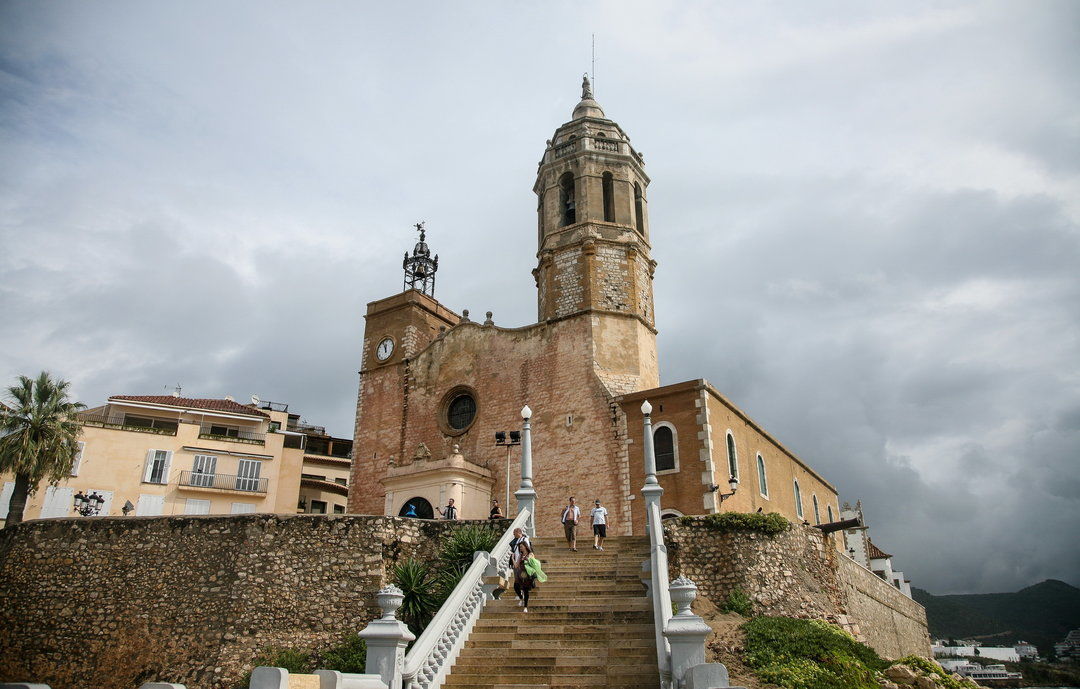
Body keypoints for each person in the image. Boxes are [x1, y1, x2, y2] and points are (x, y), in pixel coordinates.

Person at [511, 541, 546, 612]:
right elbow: (516, 565)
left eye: (521, 547)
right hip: (520, 574)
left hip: (527, 574)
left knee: (525, 590)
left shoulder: (530, 554)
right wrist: (512, 559)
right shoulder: (520, 555)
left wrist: (527, 559)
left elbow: (531, 561)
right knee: (515, 587)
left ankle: (525, 607)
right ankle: (521, 598)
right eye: (520, 547)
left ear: (525, 546)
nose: (520, 548)